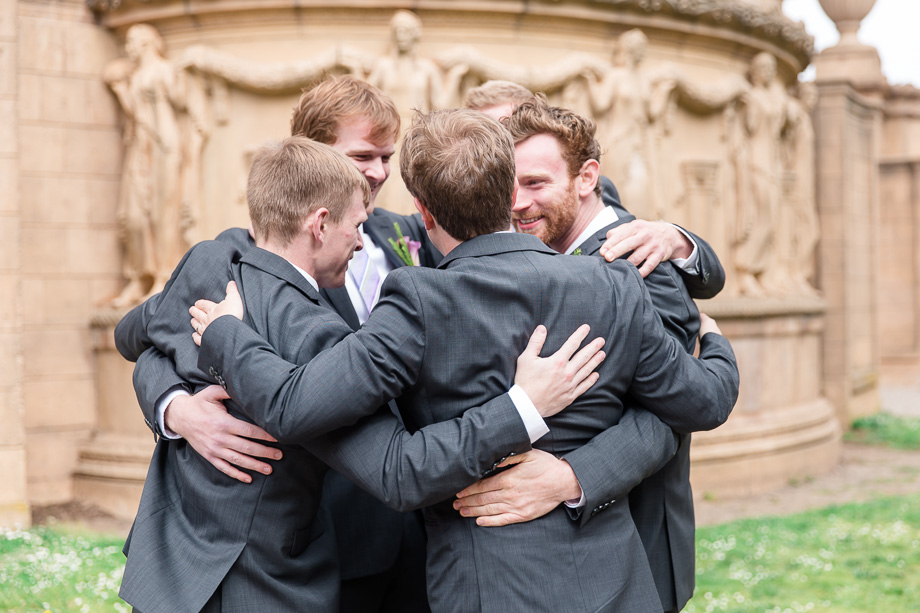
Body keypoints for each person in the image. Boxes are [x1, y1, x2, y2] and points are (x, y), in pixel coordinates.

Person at [190, 108, 739, 611]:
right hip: (614, 586)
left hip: (486, 589)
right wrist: (713, 343)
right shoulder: (614, 284)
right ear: (508, 190)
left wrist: (223, 334)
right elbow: (705, 402)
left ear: (423, 212)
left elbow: (293, 406)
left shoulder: (419, 302)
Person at [116, 136, 600, 612]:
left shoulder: (208, 268)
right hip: (260, 583)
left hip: (169, 567)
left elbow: (135, 334)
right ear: (320, 225)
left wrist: (175, 400)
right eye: (357, 225)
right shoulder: (318, 338)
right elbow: (403, 469)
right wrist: (522, 408)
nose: (362, 241)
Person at [122, 75, 441, 613]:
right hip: (318, 528)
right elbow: (147, 335)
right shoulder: (238, 255)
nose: (379, 172)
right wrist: (176, 409)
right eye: (361, 156)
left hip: (420, 528)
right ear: (311, 155)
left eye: (387, 157)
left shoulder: (408, 234)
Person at [454, 100, 725, 613]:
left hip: (635, 537)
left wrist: (570, 477)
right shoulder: (551, 234)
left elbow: (672, 410)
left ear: (586, 178)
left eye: (535, 184)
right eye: (511, 185)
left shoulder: (640, 261)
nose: (517, 203)